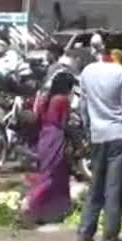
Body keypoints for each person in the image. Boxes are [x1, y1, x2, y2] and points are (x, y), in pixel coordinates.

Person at [77, 44, 122, 241]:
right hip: (119, 135)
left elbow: (83, 105)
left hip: (98, 135)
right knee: (114, 187)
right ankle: (110, 235)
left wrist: (88, 129)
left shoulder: (88, 71)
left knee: (95, 184)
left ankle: (85, 232)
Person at [20, 72, 76, 227]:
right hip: (56, 137)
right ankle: (31, 202)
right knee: (54, 175)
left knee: (50, 172)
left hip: (45, 135)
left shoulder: (46, 98)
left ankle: (47, 210)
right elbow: (64, 123)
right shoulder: (63, 100)